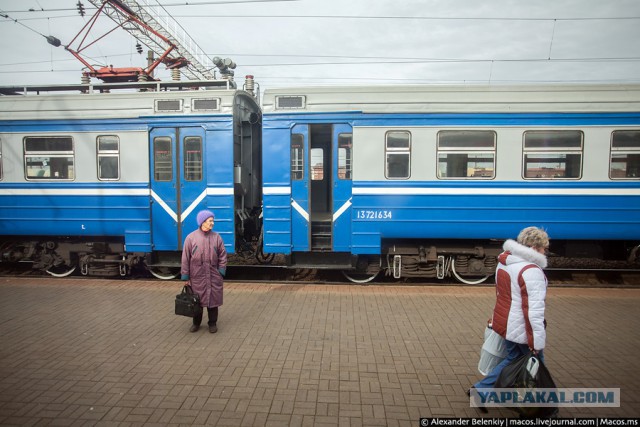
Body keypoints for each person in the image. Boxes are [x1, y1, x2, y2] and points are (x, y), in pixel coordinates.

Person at [469, 226, 550, 410]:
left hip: (507, 323)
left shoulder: (505, 262)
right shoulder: (531, 271)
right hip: (522, 328)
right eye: (544, 247)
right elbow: (533, 311)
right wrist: (535, 341)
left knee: (512, 360)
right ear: (534, 247)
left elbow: (502, 295)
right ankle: (540, 409)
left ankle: (481, 391)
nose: (545, 251)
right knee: (537, 368)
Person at [181, 209, 227, 333]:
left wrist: (221, 271)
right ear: (202, 222)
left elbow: (223, 255)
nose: (212, 223)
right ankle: (196, 323)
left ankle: (212, 323)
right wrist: (186, 277)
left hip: (213, 275)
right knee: (197, 301)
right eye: (210, 221)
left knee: (213, 302)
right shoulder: (191, 238)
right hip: (197, 276)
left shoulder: (216, 237)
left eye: (212, 220)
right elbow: (185, 258)